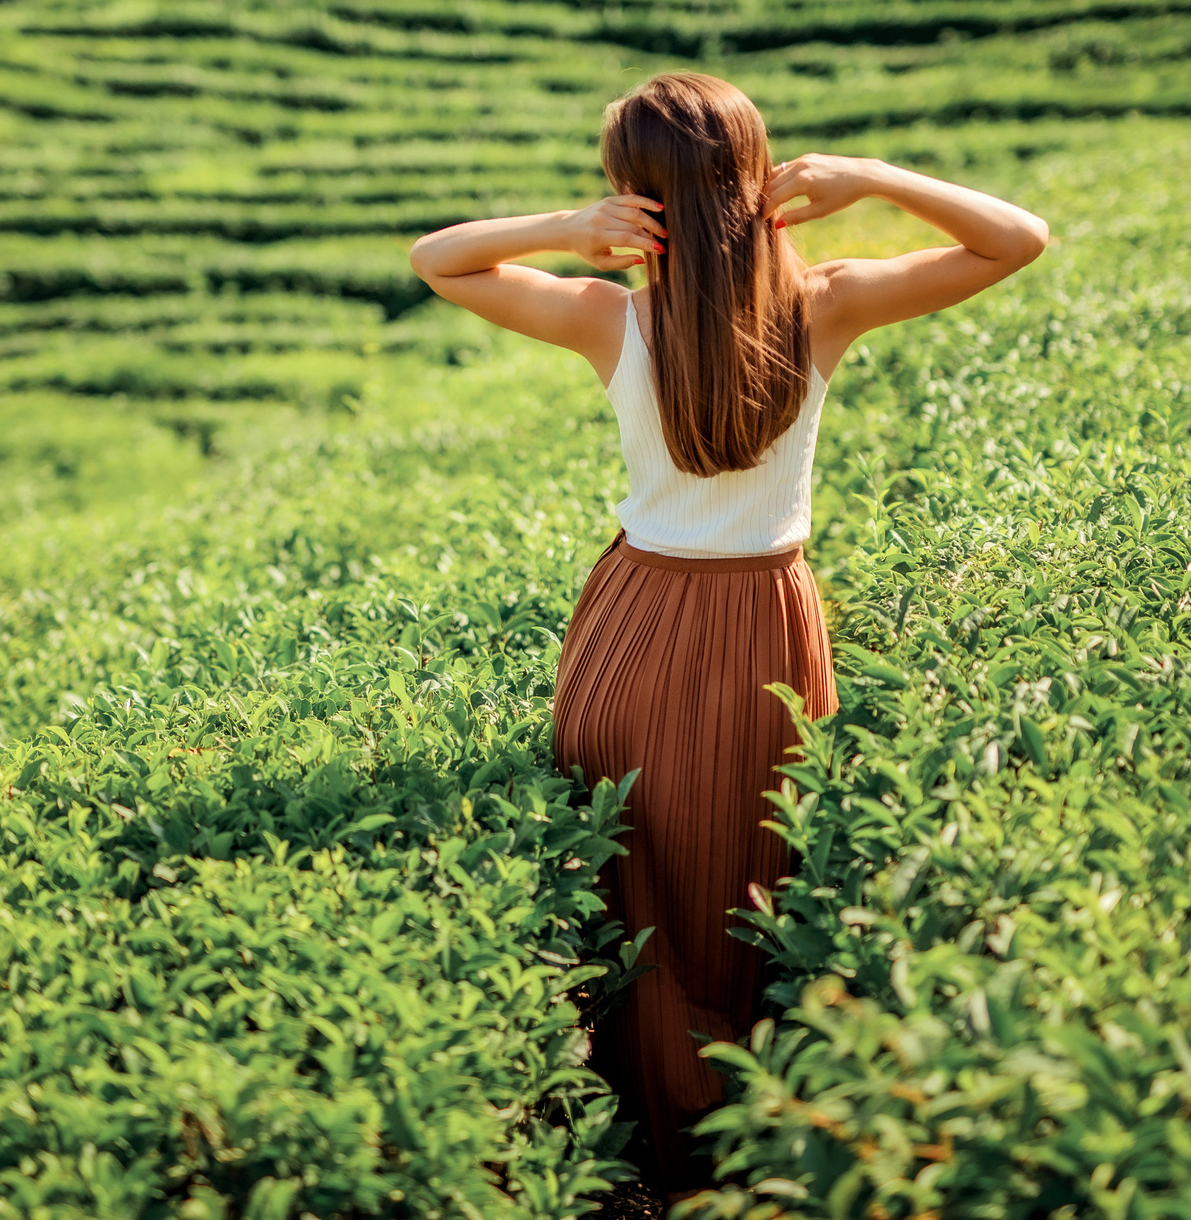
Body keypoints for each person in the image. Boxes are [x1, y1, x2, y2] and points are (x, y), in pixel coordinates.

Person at [406, 71, 1049, 1194]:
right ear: (757, 177)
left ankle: (638, 1156)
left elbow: (437, 257)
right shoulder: (829, 298)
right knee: (756, 886)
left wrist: (571, 229)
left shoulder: (608, 314)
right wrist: (871, 179)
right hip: (763, 624)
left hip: (631, 624)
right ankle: (753, 1148)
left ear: (631, 195)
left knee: (632, 894)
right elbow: (1018, 238)